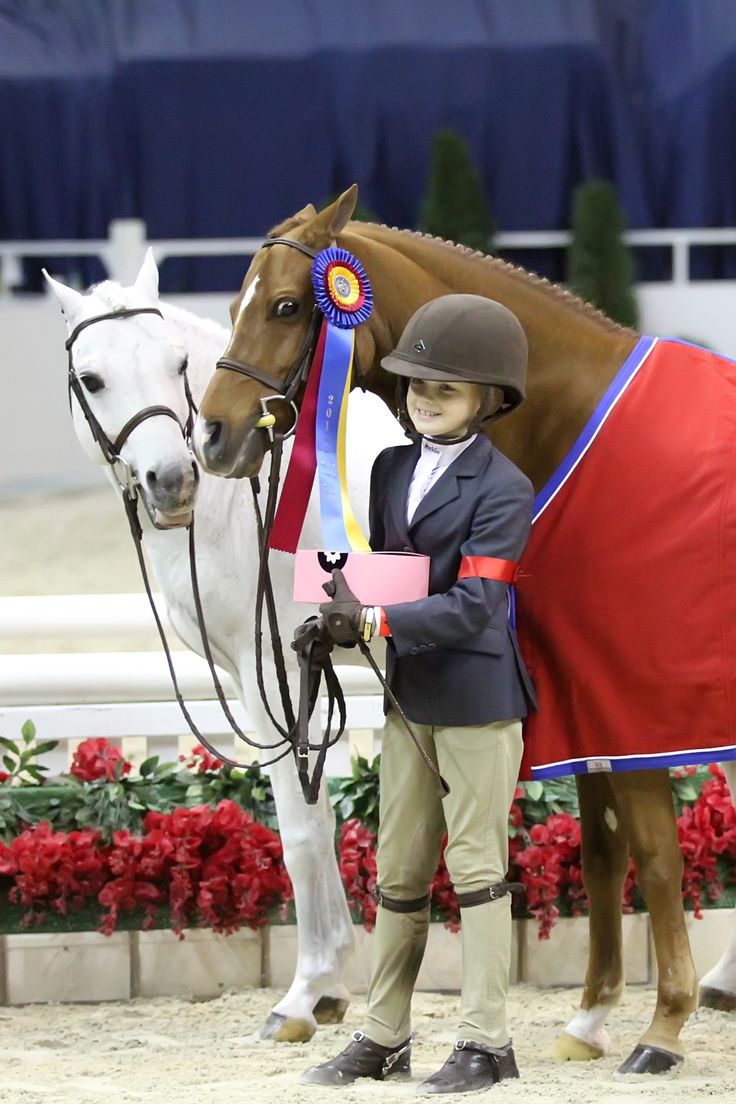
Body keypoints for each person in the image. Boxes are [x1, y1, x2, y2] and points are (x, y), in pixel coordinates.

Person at [301, 294, 537, 1095]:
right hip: (408, 697)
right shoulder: (388, 468)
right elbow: (389, 572)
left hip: (476, 696)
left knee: (476, 869)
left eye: (445, 390)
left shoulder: (503, 488)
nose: (424, 401)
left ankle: (486, 1039)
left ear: (489, 399)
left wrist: (369, 618)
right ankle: (383, 1033)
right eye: (415, 387)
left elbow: (476, 604)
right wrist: (332, 612)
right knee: (398, 871)